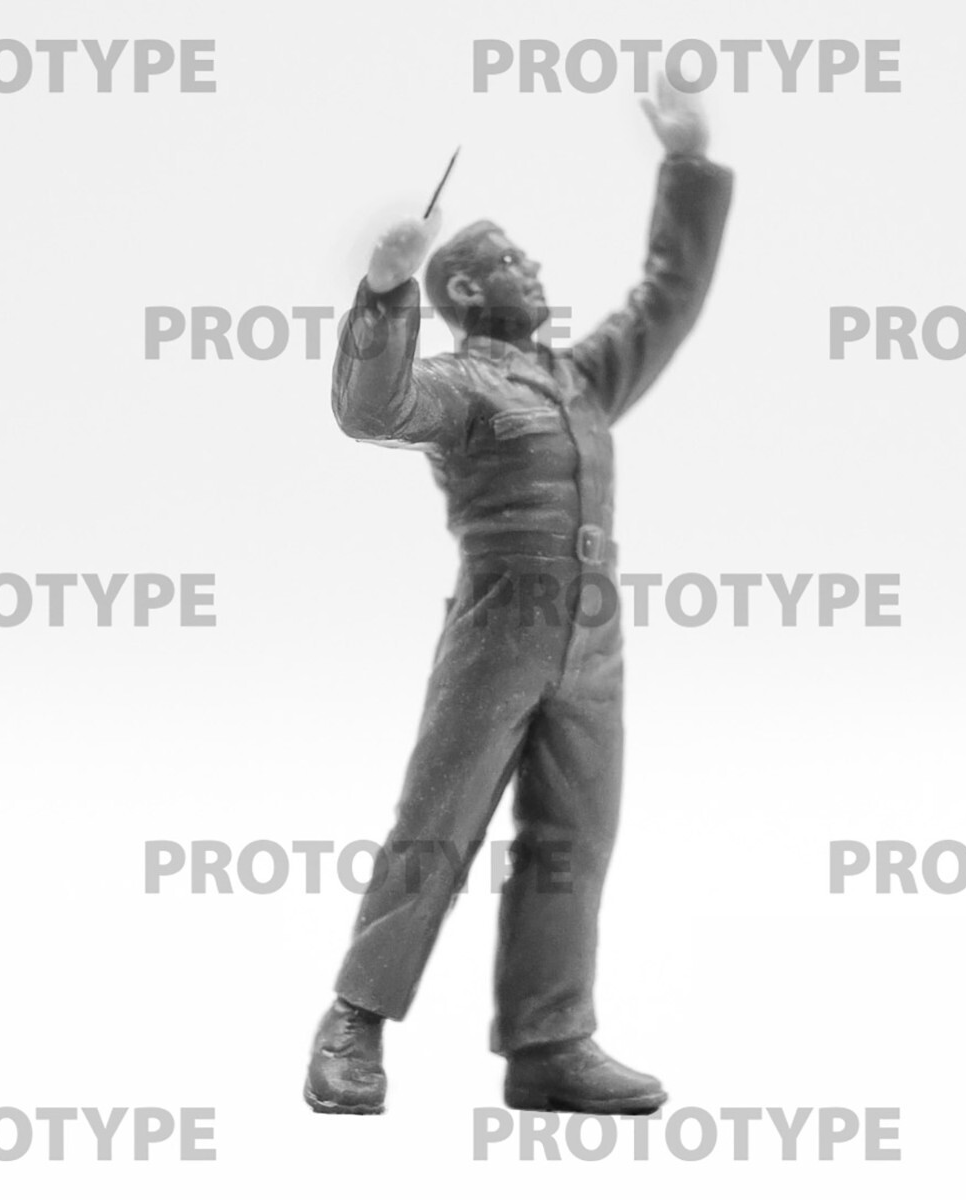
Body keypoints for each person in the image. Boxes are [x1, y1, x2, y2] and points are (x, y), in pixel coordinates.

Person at [307, 73, 733, 1115]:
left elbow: (666, 300)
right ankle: (352, 1023)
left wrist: (686, 165)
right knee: (437, 825)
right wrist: (385, 293)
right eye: (508, 260)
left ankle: (549, 1040)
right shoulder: (462, 385)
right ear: (465, 290)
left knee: (575, 838)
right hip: (500, 623)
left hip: (594, 639)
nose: (532, 268)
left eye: (526, 257)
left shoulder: (581, 380)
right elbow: (372, 410)